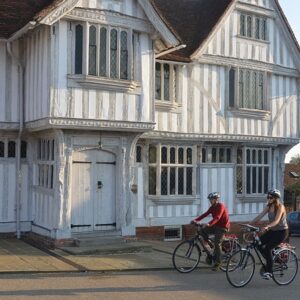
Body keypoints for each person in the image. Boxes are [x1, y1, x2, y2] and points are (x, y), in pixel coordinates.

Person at [251, 189, 289, 280]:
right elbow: (260, 216)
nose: (268, 198)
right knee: (258, 243)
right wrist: (250, 224)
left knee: (268, 248)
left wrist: (267, 226)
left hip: (281, 232)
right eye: (267, 196)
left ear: (276, 198)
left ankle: (269, 272)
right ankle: (270, 259)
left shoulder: (280, 207)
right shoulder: (268, 206)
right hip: (272, 231)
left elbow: (276, 221)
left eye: (270, 197)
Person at [191, 192, 230, 270]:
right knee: (202, 230)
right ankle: (211, 245)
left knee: (217, 243)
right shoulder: (212, 207)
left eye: (211, 199)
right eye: (209, 199)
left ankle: (218, 263)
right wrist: (195, 220)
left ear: (216, 199)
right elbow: (205, 214)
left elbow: (218, 217)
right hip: (215, 226)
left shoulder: (220, 206)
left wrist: (208, 224)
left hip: (223, 227)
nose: (210, 201)